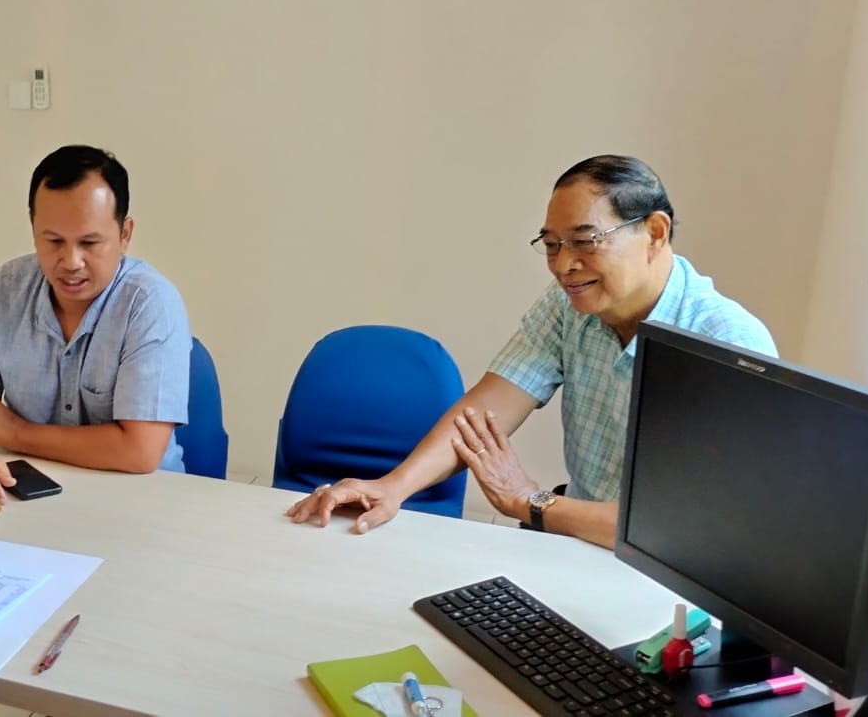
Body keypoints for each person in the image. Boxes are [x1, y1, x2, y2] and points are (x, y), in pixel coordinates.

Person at [285, 155, 777, 549]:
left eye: (584, 241)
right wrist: (392, 487)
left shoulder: (727, 344)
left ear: (654, 233)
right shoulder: (571, 305)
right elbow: (482, 416)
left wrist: (531, 502)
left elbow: (686, 531)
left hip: (667, 586)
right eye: (552, 245)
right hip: (575, 545)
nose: (564, 266)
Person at [0, 145, 192, 498]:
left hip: (139, 497)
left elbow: (139, 452)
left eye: (90, 242)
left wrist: (16, 432)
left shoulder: (150, 305)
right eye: (53, 241)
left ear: (125, 234)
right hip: (27, 493)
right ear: (33, 228)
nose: (70, 262)